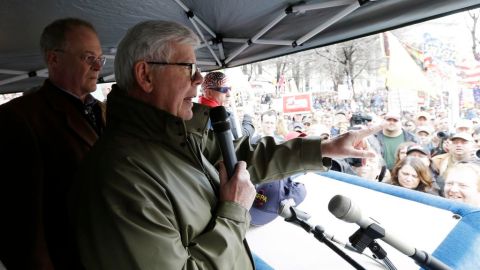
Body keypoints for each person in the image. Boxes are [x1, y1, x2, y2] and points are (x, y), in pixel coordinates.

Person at [69, 20, 381, 270]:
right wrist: (234, 211)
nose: (200, 79)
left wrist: (323, 148)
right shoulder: (119, 175)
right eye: (189, 67)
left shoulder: (176, 136)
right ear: (145, 75)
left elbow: (241, 157)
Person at [0, 18, 106, 269]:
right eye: (88, 58)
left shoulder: (103, 112)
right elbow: (20, 224)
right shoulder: (17, 118)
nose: (97, 67)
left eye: (100, 59)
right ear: (54, 59)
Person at [199, 71, 255, 139]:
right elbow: (243, 138)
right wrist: (247, 116)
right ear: (209, 93)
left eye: (229, 89)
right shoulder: (222, 115)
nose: (229, 94)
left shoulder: (197, 111)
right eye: (224, 89)